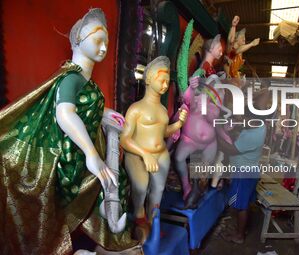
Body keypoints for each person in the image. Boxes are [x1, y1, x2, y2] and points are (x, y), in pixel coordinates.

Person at [0, 9, 137, 254]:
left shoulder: (87, 82)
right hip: (64, 153)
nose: (104, 47)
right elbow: (65, 114)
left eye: (106, 41)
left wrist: (105, 113)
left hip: (78, 149)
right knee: (102, 178)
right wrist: (92, 155)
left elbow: (85, 105)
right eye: (98, 40)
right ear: (78, 40)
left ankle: (109, 234)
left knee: (116, 177)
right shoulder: (70, 78)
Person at [120, 56, 187, 243]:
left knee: (158, 190)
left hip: (161, 155)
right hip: (138, 155)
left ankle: (151, 221)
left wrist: (179, 123)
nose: (165, 85)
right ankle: (139, 213)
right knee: (141, 187)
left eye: (167, 81)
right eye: (161, 80)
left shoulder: (163, 110)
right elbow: (124, 139)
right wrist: (144, 154)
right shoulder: (136, 109)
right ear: (149, 79)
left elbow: (163, 131)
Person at [218, 89, 270, 244]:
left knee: (240, 206)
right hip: (250, 172)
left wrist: (217, 135)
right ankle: (240, 229)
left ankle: (239, 236)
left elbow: (230, 149)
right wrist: (252, 98)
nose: (243, 120)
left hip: (243, 174)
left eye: (246, 118)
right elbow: (265, 93)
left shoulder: (252, 135)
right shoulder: (260, 127)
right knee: (243, 203)